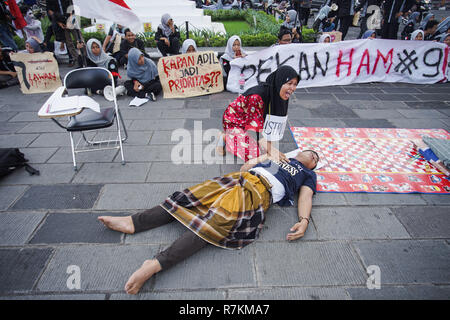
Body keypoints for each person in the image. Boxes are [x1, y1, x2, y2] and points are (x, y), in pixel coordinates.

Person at [98, 148, 319, 294]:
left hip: (260, 192)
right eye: (310, 152)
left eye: (315, 158)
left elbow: (306, 196)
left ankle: (155, 264)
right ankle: (133, 222)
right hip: (239, 179)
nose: (311, 155)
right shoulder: (279, 156)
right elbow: (244, 168)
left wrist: (304, 220)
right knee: (189, 197)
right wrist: (264, 157)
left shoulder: (308, 175)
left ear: (312, 166)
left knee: (215, 223)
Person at [216, 65, 299, 163]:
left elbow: (272, 124)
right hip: (235, 122)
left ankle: (235, 139)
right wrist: (270, 150)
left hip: (255, 121)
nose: (292, 88)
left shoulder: (280, 94)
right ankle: (225, 137)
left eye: (295, 84)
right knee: (255, 155)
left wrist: (270, 148)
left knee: (266, 152)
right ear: (280, 81)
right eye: (289, 83)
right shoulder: (256, 96)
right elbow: (254, 131)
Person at [46, 0, 83, 67]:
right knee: (69, 43)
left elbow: (71, 5)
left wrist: (71, 19)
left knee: (79, 39)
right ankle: (77, 59)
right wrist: (59, 22)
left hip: (71, 18)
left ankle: (84, 57)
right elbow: (50, 11)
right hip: (61, 21)